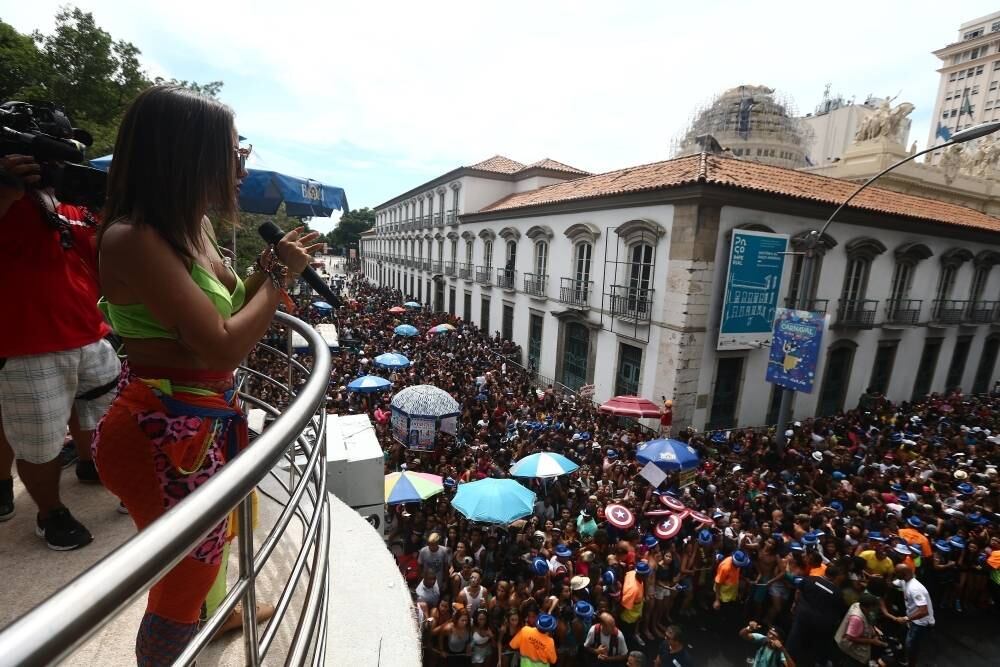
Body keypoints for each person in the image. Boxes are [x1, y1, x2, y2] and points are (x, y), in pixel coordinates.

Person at [92, 85, 321, 664]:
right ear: (186, 154)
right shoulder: (134, 239)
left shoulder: (192, 230)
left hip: (193, 426)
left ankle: (210, 622)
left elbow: (227, 308)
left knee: (203, 557)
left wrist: (267, 269)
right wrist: (281, 282)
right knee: (181, 581)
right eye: (231, 149)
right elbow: (221, 347)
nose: (241, 162)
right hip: (157, 435)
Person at [0, 126, 121, 549]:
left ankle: (92, 464)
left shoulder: (71, 201)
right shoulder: (7, 198)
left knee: (103, 417)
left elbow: (101, 269)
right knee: (39, 440)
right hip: (27, 344)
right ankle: (50, 512)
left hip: (90, 333)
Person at [785, 563, 846, 667]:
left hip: (802, 617)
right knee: (810, 649)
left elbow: (798, 592)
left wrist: (795, 605)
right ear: (836, 576)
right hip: (820, 625)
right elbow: (837, 611)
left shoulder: (810, 579)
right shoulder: (837, 593)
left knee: (794, 642)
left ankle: (785, 661)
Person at [888, 564, 935, 666]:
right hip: (913, 618)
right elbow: (890, 584)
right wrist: (890, 574)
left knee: (911, 646)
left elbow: (923, 611)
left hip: (920, 622)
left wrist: (906, 618)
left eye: (896, 573)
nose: (895, 574)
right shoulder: (904, 581)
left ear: (903, 574)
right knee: (905, 637)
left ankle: (910, 664)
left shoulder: (915, 588)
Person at [834, 592, 886, 667]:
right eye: (873, 607)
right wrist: (872, 641)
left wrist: (874, 629)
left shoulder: (858, 605)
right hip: (851, 653)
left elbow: (866, 621)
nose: (874, 609)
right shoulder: (856, 618)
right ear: (868, 607)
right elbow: (850, 637)